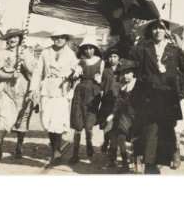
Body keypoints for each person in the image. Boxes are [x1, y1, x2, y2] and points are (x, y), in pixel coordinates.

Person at [130, 19, 184, 174]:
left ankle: (160, 162)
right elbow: (134, 63)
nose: (157, 31)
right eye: (154, 29)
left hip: (168, 98)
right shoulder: (144, 48)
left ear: (166, 31)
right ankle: (150, 166)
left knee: (165, 132)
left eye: (160, 28)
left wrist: (180, 90)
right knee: (150, 131)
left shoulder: (174, 50)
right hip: (149, 97)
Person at [28, 27, 79, 166]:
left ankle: (55, 151)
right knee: (47, 121)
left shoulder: (70, 54)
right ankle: (55, 147)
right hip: (47, 89)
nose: (59, 39)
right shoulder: (46, 52)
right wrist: (33, 89)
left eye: (62, 37)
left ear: (66, 39)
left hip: (61, 90)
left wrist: (75, 74)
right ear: (52, 38)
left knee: (57, 121)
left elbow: (77, 69)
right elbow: (38, 72)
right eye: (56, 37)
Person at [0, 28, 35, 161]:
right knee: (2, 116)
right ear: (7, 39)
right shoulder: (0, 54)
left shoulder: (26, 52)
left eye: (16, 37)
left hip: (22, 89)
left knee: (22, 117)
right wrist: (11, 75)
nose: (13, 40)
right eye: (10, 37)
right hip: (5, 89)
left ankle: (19, 147)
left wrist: (25, 62)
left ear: (20, 38)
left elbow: (34, 72)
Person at [69, 35, 105, 164]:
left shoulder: (101, 62)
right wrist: (75, 75)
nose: (88, 51)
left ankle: (89, 143)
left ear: (95, 49)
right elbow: (74, 76)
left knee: (89, 124)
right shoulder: (80, 61)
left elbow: (103, 81)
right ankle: (75, 153)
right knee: (78, 124)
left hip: (93, 94)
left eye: (91, 48)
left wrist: (99, 80)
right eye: (86, 48)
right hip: (80, 92)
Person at [106, 60, 143, 171]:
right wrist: (112, 114)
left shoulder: (138, 85)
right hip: (123, 116)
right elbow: (118, 103)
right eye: (123, 73)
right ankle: (124, 163)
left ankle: (137, 163)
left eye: (128, 73)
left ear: (133, 73)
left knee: (135, 140)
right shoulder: (123, 87)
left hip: (136, 116)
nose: (125, 76)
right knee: (119, 136)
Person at [99, 48, 122, 153]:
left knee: (117, 123)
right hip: (107, 100)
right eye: (110, 57)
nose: (112, 59)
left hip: (118, 100)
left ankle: (114, 145)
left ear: (119, 58)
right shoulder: (105, 71)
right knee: (106, 122)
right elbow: (102, 85)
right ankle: (106, 141)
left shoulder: (122, 70)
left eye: (115, 57)